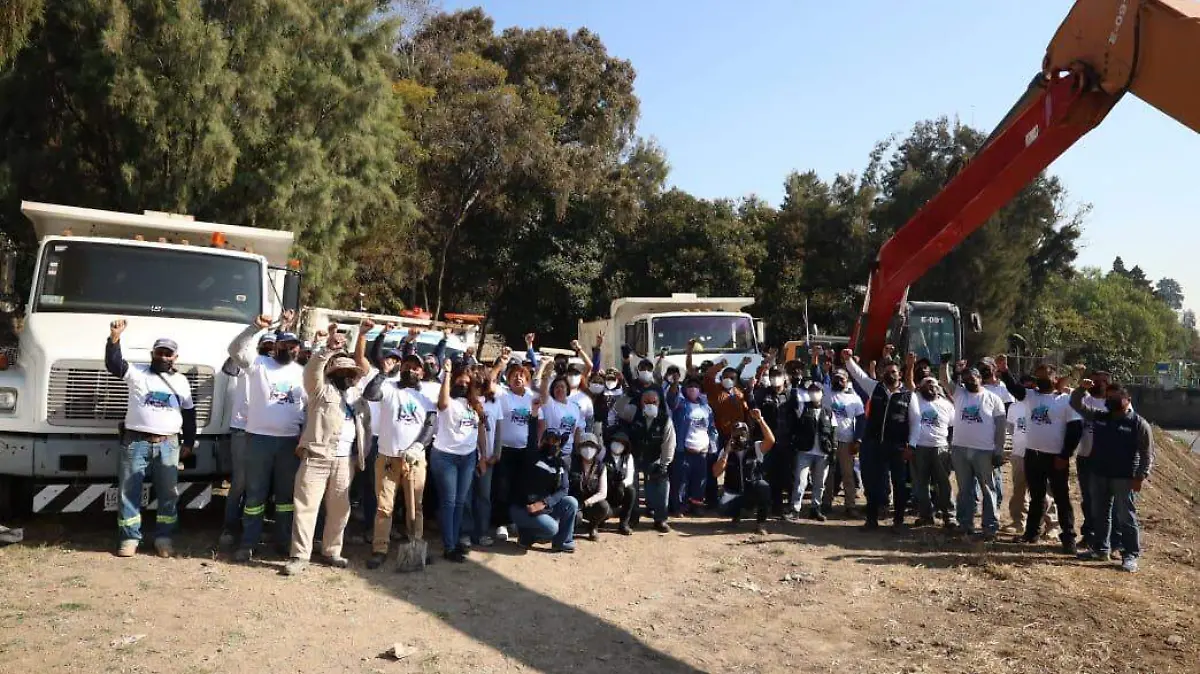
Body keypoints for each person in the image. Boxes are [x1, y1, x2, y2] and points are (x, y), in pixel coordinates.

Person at [106, 320, 195, 558]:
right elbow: (114, 364)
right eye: (160, 352)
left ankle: (164, 538)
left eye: (168, 354)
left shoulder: (181, 381)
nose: (164, 357)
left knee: (168, 494)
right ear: (152, 354)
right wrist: (114, 338)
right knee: (128, 492)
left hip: (168, 444)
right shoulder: (137, 373)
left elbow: (189, 414)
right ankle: (129, 539)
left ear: (175, 357)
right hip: (135, 443)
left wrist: (188, 442)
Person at [283, 334, 370, 576]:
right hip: (317, 457)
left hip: (344, 462)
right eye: (342, 373)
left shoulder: (357, 398)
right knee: (306, 508)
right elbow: (311, 370)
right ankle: (300, 556)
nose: (347, 377)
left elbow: (366, 428)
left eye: (350, 373)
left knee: (340, 509)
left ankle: (332, 551)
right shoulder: (319, 391)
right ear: (332, 374)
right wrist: (327, 349)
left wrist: (361, 455)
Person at [227, 312, 306, 562]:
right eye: (285, 345)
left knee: (284, 498)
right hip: (258, 440)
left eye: (294, 346)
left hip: (290, 443)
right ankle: (249, 542)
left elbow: (307, 409)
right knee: (255, 494)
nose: (290, 350)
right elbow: (235, 350)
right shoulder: (258, 364)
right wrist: (254, 328)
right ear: (277, 346)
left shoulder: (303, 373)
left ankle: (282, 541)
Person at [361, 342, 437, 571]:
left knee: (417, 506)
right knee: (384, 506)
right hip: (387, 458)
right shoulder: (390, 387)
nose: (411, 370)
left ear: (422, 373)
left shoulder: (426, 398)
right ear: (401, 367)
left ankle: (416, 544)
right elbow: (370, 394)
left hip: (414, 459)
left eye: (416, 368)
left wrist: (417, 446)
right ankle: (380, 548)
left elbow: (430, 426)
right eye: (408, 366)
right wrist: (383, 373)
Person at [998, 357, 1083, 553]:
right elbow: (1014, 388)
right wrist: (1004, 370)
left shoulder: (1066, 400)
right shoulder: (1031, 396)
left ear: (1055, 378)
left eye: (1046, 375)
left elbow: (1075, 430)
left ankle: (1068, 538)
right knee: (1036, 496)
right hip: (1032, 454)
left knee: (1061, 498)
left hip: (1055, 457)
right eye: (1039, 375)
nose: (1041, 378)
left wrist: (1065, 455)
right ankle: (1031, 533)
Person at [1069, 381, 1154, 572]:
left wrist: (1140, 476)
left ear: (1128, 400)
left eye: (1116, 397)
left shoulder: (1138, 423)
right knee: (1100, 514)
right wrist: (1082, 388)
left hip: (1124, 477)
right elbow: (1076, 403)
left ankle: (1130, 554)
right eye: (1109, 397)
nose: (1112, 400)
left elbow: (1147, 454)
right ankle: (1100, 549)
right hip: (1099, 474)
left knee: (1125, 517)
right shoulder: (1100, 417)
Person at [842, 349, 911, 531]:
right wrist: (848, 360)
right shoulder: (876, 388)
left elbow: (915, 421)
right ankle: (871, 520)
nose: (890, 374)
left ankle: (898, 521)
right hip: (875, 444)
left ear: (900, 374)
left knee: (899, 484)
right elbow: (859, 375)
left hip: (897, 447)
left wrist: (910, 445)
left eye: (894, 372)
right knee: (872, 483)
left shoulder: (909, 395)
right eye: (887, 372)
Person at [219, 332, 274, 547]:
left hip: (265, 432)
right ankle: (229, 527)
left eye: (273, 345)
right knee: (239, 483)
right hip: (242, 430)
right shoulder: (247, 365)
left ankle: (253, 529)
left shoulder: (277, 370)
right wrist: (252, 335)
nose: (270, 349)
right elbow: (228, 366)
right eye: (266, 345)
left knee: (260, 485)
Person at [942, 366, 1007, 537]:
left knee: (988, 489)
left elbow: (1000, 427)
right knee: (964, 489)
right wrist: (944, 365)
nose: (969, 381)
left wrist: (998, 450)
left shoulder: (993, 399)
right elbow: (945, 381)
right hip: (960, 450)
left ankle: (990, 527)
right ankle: (965, 524)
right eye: (966, 379)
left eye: (972, 377)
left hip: (984, 451)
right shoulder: (960, 394)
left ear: (980, 378)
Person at [430, 359, 485, 563]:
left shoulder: (474, 404)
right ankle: (449, 545)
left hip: (468, 457)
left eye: (466, 382)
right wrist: (447, 374)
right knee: (449, 502)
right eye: (459, 382)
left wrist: (483, 456)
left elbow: (480, 430)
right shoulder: (448, 401)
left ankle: (454, 540)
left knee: (460, 502)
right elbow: (442, 403)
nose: (463, 385)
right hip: (445, 456)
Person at [491, 349, 538, 543]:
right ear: (508, 379)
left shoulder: (531, 397)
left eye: (522, 375)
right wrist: (500, 364)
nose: (518, 378)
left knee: (519, 488)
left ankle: (513, 521)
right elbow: (490, 382)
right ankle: (500, 523)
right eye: (514, 375)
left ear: (527, 380)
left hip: (524, 450)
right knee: (502, 487)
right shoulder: (503, 395)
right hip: (505, 449)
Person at [510, 430, 578, 552]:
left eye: (555, 441)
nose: (552, 444)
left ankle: (563, 542)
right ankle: (526, 535)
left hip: (543, 506)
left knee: (571, 502)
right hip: (522, 507)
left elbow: (564, 489)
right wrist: (534, 415)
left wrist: (545, 503)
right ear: (542, 441)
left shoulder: (560, 464)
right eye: (549, 440)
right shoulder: (532, 456)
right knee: (552, 528)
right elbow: (531, 437)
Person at [1074, 369, 1117, 554]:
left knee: (1108, 503)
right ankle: (1089, 535)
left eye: (1103, 381)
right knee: (1088, 499)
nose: (1098, 384)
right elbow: (1073, 406)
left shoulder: (1115, 403)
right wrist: (1081, 389)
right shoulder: (1085, 400)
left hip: (1108, 459)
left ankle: (1112, 540)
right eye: (1095, 380)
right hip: (1085, 456)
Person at [713, 410, 776, 534]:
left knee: (764, 487)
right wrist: (726, 452)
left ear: (747, 434)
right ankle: (736, 514)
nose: (740, 435)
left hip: (751, 490)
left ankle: (760, 524)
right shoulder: (726, 451)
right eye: (736, 433)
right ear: (731, 435)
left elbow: (771, 440)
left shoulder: (755, 448)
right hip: (734, 491)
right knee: (721, 507)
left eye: (743, 432)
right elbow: (716, 473)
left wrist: (760, 420)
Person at [906, 377, 954, 528]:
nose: (930, 386)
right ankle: (926, 515)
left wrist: (950, 446)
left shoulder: (947, 405)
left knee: (944, 484)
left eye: (933, 384)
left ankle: (949, 516)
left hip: (941, 448)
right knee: (921, 484)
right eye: (926, 384)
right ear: (919, 387)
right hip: (919, 448)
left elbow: (953, 427)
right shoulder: (914, 402)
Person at [625, 388, 676, 532]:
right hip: (633, 457)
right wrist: (628, 393)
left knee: (661, 485)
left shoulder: (665, 419)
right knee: (631, 486)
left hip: (654, 458)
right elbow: (617, 409)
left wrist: (664, 464)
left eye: (654, 402)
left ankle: (660, 519)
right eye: (646, 402)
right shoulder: (632, 413)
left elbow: (669, 443)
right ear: (641, 403)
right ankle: (633, 516)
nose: (650, 405)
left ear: (659, 403)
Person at [703, 356, 751, 508]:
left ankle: (734, 497)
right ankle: (711, 500)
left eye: (731, 378)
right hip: (717, 435)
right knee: (713, 467)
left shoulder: (739, 393)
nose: (728, 380)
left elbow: (747, 412)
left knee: (735, 467)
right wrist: (719, 365)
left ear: (736, 380)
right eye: (725, 377)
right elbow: (708, 375)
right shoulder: (714, 389)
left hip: (737, 436)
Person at [668, 375, 718, 515]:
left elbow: (712, 429)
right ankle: (679, 507)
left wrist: (712, 447)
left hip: (702, 452)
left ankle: (696, 505)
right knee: (681, 482)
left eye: (696, 386)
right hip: (683, 451)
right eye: (690, 386)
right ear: (684, 389)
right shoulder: (680, 405)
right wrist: (675, 384)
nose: (693, 389)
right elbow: (671, 400)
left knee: (699, 480)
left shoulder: (706, 408)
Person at [466, 365, 502, 548]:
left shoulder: (495, 402)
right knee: (466, 495)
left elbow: (499, 429)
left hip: (488, 457)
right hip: (466, 454)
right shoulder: (467, 400)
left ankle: (481, 532)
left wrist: (496, 454)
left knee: (484, 496)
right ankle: (466, 532)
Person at [789, 383, 835, 521]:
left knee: (819, 483)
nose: (814, 393)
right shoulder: (803, 407)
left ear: (822, 393)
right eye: (811, 391)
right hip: (804, 450)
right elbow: (793, 400)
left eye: (817, 390)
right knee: (800, 480)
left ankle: (815, 508)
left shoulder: (828, 411)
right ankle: (795, 509)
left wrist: (834, 451)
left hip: (823, 452)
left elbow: (834, 433)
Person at [822, 368, 866, 515]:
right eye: (836, 378)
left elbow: (861, 420)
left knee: (848, 474)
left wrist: (858, 440)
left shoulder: (854, 398)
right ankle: (826, 503)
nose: (839, 380)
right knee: (828, 475)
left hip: (847, 441)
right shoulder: (826, 394)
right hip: (829, 441)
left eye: (842, 378)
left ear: (847, 381)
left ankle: (850, 505)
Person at [752, 365, 793, 517]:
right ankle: (762, 506)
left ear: (784, 377)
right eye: (773, 375)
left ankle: (779, 506)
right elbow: (753, 408)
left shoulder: (790, 395)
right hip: (767, 442)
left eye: (778, 375)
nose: (775, 378)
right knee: (765, 475)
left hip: (785, 442)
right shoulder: (762, 394)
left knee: (783, 476)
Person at [537, 368, 586, 461]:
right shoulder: (549, 404)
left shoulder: (575, 407)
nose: (559, 389)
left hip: (568, 453)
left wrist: (577, 452)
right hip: (551, 451)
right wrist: (546, 375)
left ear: (567, 389)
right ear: (552, 390)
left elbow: (577, 431)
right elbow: (543, 391)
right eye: (556, 387)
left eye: (562, 387)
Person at [569, 433, 610, 540]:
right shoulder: (571, 463)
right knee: (577, 519)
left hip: (591, 503)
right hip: (574, 502)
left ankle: (593, 528)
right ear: (579, 448)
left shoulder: (601, 466)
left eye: (592, 446)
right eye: (585, 446)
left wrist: (586, 503)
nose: (588, 449)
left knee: (604, 507)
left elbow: (603, 493)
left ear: (597, 449)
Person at [605, 432, 637, 535]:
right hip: (606, 489)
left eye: (621, 443)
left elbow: (630, 477)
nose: (618, 445)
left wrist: (622, 484)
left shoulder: (628, 457)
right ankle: (598, 520)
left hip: (621, 489)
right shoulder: (603, 454)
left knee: (631, 490)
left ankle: (624, 523)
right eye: (615, 442)